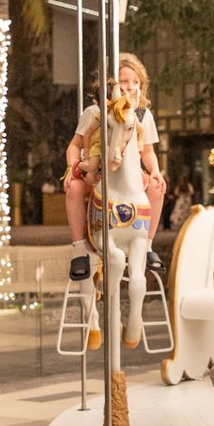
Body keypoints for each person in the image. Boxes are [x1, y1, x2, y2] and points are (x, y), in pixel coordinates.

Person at [64, 53, 166, 282]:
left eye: (135, 82)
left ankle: (147, 244)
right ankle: (79, 249)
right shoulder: (95, 113)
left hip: (129, 173)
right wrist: (73, 168)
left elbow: (147, 151)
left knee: (156, 187)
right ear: (112, 85)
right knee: (74, 188)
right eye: (124, 81)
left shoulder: (142, 115)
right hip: (97, 170)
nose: (130, 86)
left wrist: (155, 171)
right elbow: (75, 145)